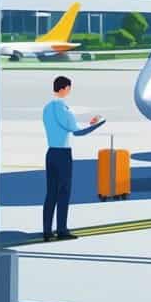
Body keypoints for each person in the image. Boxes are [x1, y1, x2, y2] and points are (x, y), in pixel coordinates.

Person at [41, 76, 100, 242]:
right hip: (63, 154)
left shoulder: (47, 108)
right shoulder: (64, 109)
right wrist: (95, 125)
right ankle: (61, 229)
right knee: (64, 193)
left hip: (51, 152)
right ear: (65, 88)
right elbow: (77, 131)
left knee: (51, 193)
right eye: (69, 88)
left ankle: (47, 231)